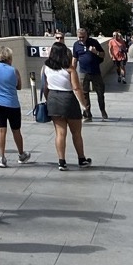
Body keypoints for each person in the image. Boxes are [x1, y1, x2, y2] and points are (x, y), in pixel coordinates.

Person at [41, 40, 90, 170]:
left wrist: (48, 99)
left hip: (53, 99)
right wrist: (84, 105)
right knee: (76, 133)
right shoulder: (70, 69)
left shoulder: (46, 68)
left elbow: (45, 87)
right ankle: (81, 159)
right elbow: (77, 88)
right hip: (68, 99)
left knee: (60, 133)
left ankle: (62, 161)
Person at [72, 27, 107, 121]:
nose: (81, 39)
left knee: (100, 92)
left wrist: (96, 52)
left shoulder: (94, 42)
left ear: (86, 35)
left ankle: (102, 110)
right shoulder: (76, 45)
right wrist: (72, 72)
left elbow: (103, 54)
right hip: (83, 72)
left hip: (95, 72)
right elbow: (74, 59)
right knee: (84, 94)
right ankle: (87, 113)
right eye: (79, 37)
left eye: (83, 37)